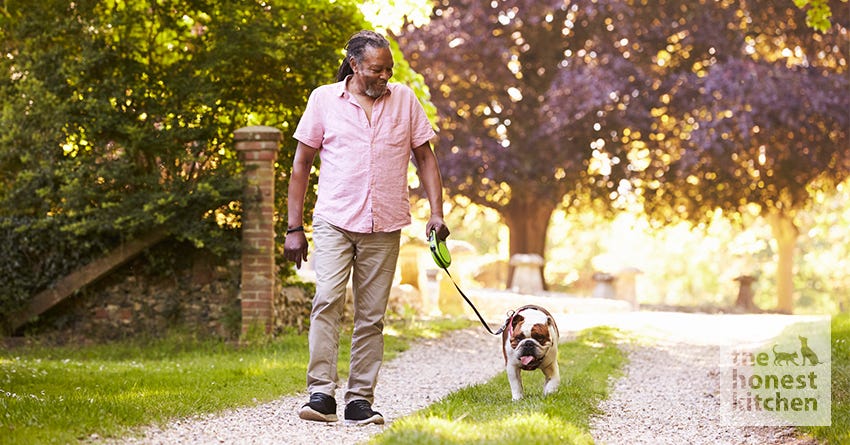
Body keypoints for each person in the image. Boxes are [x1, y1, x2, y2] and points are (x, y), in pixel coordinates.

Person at [284, 30, 450, 426]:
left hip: (385, 222)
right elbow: (301, 164)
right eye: (377, 70)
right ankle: (321, 393)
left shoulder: (405, 100)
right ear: (355, 65)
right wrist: (294, 227)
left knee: (372, 315)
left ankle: (359, 399)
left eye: (389, 69)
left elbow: (425, 159)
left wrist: (437, 213)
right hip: (334, 220)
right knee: (326, 298)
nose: (384, 77)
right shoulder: (324, 99)